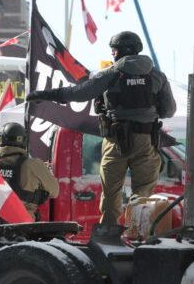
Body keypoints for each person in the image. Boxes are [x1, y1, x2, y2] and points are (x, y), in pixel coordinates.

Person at [26, 31, 176, 240]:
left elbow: (78, 94)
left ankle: (108, 236)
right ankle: (139, 235)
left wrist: (44, 95)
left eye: (114, 50)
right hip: (145, 140)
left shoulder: (111, 74)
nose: (113, 54)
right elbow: (169, 111)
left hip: (115, 141)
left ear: (121, 51)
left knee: (111, 191)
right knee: (143, 193)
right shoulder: (156, 76)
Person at [0, 122, 59, 225]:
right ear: (23, 141)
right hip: (23, 227)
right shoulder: (33, 165)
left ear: (1, 140)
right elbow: (55, 191)